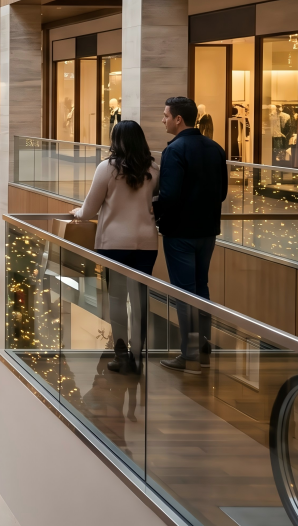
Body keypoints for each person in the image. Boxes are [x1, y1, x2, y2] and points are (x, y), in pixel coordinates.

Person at [71, 120, 159, 375]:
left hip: (114, 243)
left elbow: (88, 210)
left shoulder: (107, 168)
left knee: (117, 299)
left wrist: (77, 211)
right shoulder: (154, 169)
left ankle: (122, 356)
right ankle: (138, 354)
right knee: (140, 299)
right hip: (146, 243)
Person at [156, 96, 229, 375]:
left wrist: (157, 213)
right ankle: (202, 345)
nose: (162, 120)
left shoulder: (174, 150)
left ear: (178, 119)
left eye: (165, 115)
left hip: (180, 232)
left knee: (183, 292)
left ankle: (189, 354)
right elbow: (221, 192)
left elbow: (169, 195)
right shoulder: (215, 148)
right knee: (201, 288)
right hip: (208, 230)